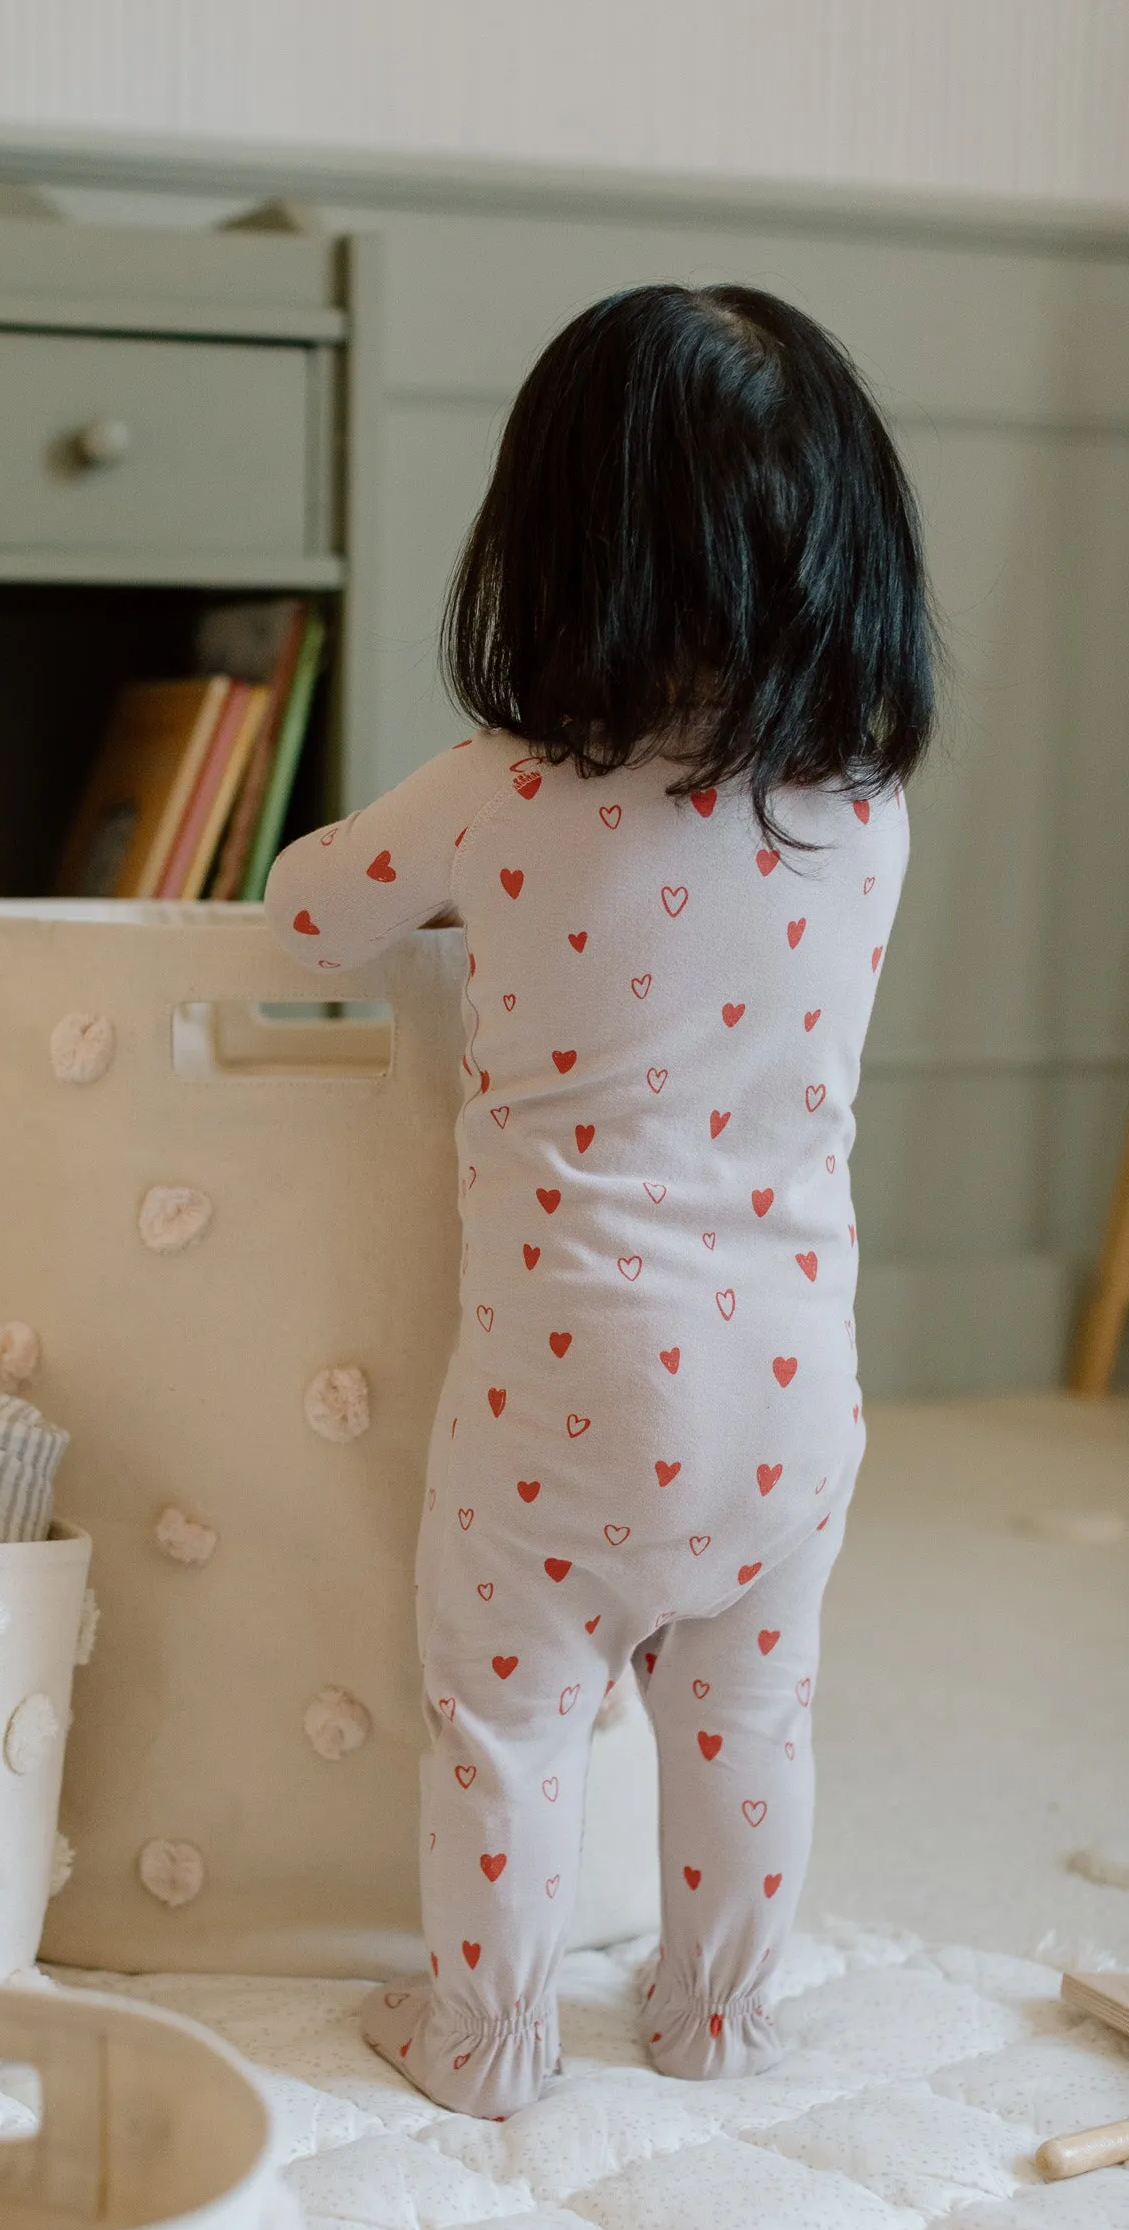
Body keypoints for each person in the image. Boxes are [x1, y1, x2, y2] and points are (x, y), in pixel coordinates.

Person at [263, 284, 936, 2117]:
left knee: (507, 1715)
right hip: (797, 1386)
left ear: (553, 551)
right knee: (747, 1715)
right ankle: (718, 2016)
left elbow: (300, 916)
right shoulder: (865, 807)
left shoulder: (505, 796)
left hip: (572, 1389)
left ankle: (486, 2043)